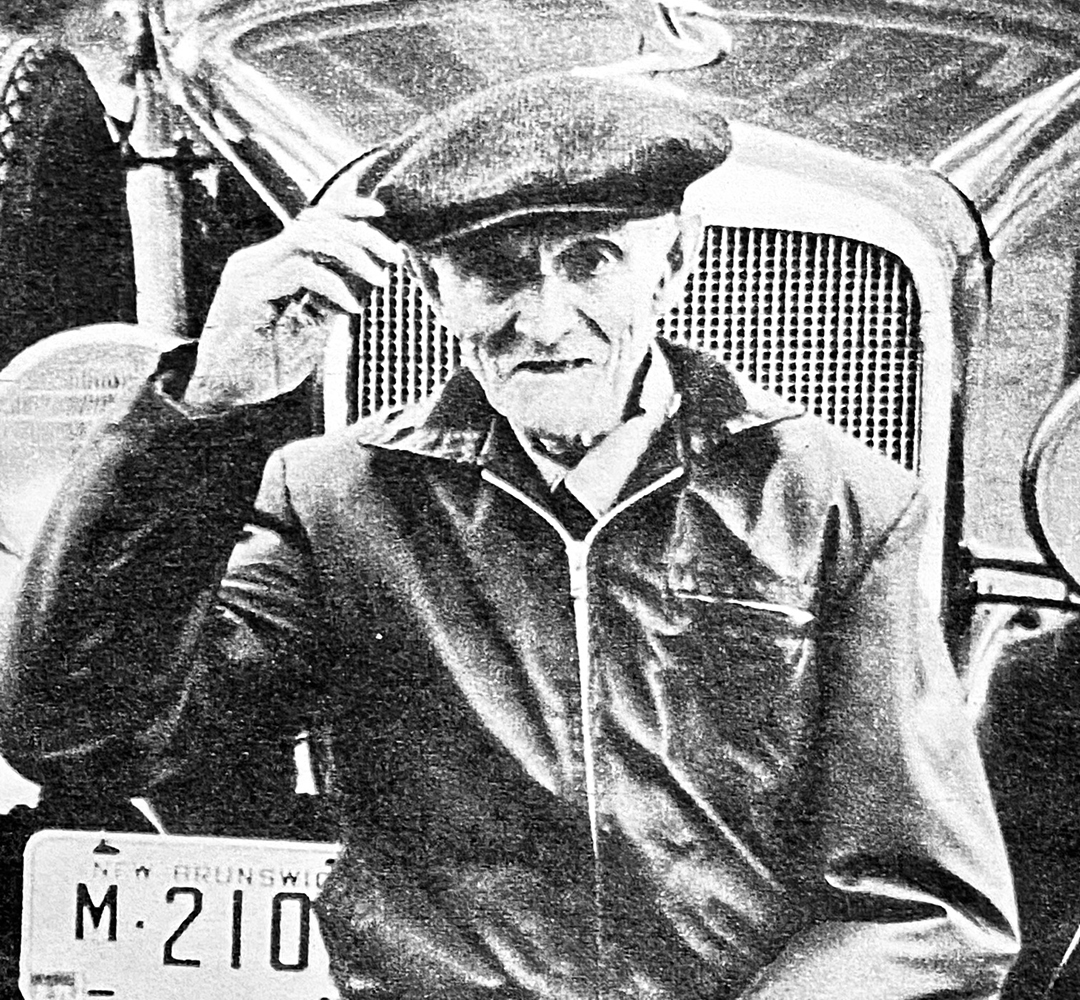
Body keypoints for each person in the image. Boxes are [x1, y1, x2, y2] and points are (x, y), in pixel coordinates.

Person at [0, 70, 1018, 999]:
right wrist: (205, 410)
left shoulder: (841, 506)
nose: (545, 319)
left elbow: (930, 912)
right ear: (436, 292)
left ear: (677, 266)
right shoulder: (337, 503)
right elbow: (84, 739)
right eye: (494, 272)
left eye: (592, 263)